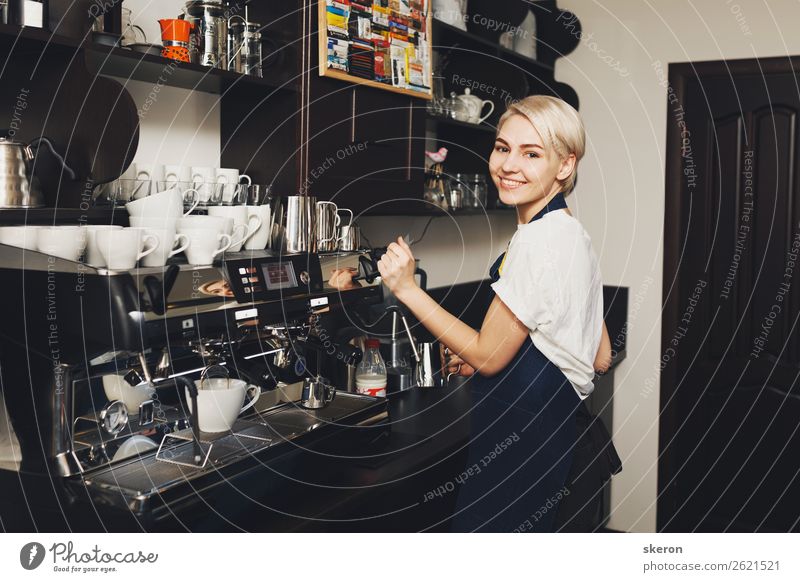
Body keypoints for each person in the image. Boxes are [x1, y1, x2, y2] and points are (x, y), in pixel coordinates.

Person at [376, 95, 612, 532]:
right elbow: (598, 355)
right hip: (557, 439)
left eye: (532, 154)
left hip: (521, 445)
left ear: (565, 165)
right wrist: (507, 361)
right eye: (503, 148)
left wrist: (406, 288)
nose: (508, 165)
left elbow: (489, 355)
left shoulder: (537, 242)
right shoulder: (573, 235)